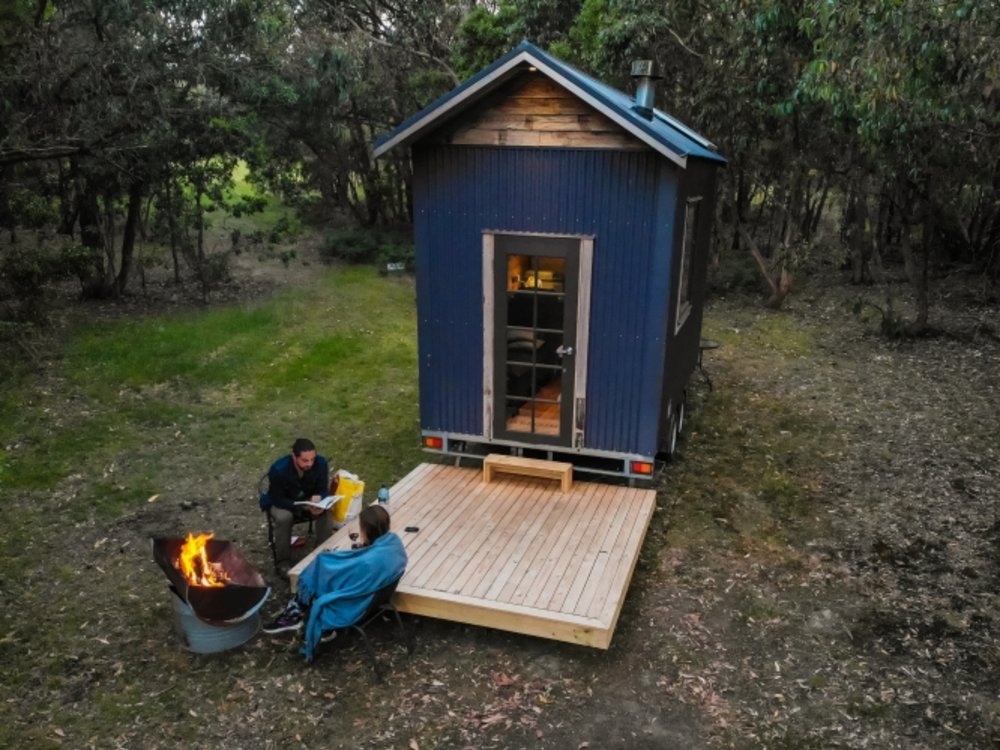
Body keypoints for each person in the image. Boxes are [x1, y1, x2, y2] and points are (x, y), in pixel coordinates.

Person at [263, 504, 408, 662]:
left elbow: (350, 574)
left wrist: (331, 561)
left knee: (320, 571)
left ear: (366, 529)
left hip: (355, 606)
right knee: (328, 569)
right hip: (376, 597)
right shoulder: (394, 544)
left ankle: (295, 613)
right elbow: (364, 564)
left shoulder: (368, 562)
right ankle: (296, 612)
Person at [264, 438, 335, 578]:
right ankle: (283, 562)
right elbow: (277, 498)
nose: (310, 464)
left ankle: (321, 554)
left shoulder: (320, 463)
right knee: (284, 517)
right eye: (305, 460)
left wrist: (319, 498)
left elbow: (323, 489)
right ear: (294, 456)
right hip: (283, 503)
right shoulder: (279, 470)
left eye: (312, 459)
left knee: (327, 512)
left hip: (308, 501)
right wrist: (303, 505)